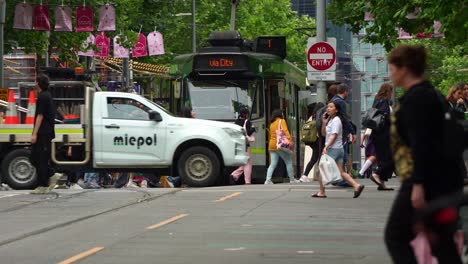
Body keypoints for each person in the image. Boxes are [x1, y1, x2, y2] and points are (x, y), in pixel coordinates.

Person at [384, 44, 464, 264]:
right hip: (441, 177)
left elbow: (421, 144)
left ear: (404, 69)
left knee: (396, 235)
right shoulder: (430, 95)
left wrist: (418, 185)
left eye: (392, 69)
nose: (391, 74)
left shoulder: (417, 99)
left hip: (425, 178)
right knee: (440, 240)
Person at [312, 101, 365, 198]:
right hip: (338, 149)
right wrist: (324, 123)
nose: (328, 108)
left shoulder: (336, 120)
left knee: (321, 169)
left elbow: (334, 135)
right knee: (341, 172)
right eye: (328, 107)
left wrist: (326, 147)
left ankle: (322, 192)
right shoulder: (330, 120)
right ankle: (356, 186)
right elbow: (324, 134)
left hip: (333, 149)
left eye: (331, 107)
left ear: (336, 110)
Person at [30, 74, 62, 194]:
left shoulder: (43, 97)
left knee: (40, 159)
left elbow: (40, 116)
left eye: (35, 81)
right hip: (46, 132)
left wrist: (34, 133)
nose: (34, 83)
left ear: (38, 83)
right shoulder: (47, 95)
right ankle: (50, 175)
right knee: (36, 158)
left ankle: (43, 185)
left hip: (43, 132)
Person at [368, 83, 395, 191]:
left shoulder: (376, 101)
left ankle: (382, 183)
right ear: (387, 91)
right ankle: (377, 173)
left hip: (376, 134)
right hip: (383, 134)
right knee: (391, 158)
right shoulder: (384, 102)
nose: (391, 94)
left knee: (382, 157)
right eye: (391, 92)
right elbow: (385, 118)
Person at [265, 109, 299, 184]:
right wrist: (290, 140)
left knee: (273, 164)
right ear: (280, 114)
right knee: (288, 161)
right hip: (279, 145)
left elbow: (271, 135)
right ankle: (292, 180)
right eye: (282, 113)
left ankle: (268, 180)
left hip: (272, 145)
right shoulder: (281, 121)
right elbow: (285, 131)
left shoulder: (272, 123)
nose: (283, 114)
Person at [300, 102, 325, 183]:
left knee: (315, 158)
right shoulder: (320, 116)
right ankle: (307, 176)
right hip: (317, 140)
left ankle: (305, 175)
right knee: (317, 158)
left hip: (310, 140)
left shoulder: (312, 116)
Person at [230, 107, 255, 184]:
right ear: (245, 114)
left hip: (238, 144)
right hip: (245, 144)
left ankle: (234, 175)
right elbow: (249, 133)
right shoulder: (247, 122)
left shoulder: (236, 122)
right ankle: (247, 181)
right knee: (247, 163)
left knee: (244, 162)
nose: (248, 115)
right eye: (247, 113)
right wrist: (253, 128)